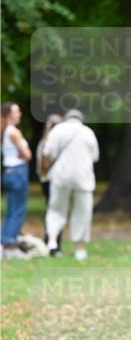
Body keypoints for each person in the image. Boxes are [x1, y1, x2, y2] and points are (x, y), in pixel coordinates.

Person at [41, 109, 99, 261]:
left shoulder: (58, 130)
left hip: (61, 176)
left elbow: (47, 152)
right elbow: (95, 156)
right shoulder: (88, 132)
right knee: (82, 213)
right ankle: (79, 248)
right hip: (83, 178)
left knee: (55, 209)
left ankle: (52, 240)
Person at [1, 101, 32, 259]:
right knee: (18, 210)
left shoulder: (5, 131)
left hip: (8, 172)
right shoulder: (14, 132)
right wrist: (25, 153)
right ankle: (11, 246)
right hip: (18, 173)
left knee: (11, 209)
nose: (19, 114)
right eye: (16, 111)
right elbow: (27, 154)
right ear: (8, 115)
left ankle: (4, 243)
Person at [36, 113, 63, 254]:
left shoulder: (44, 141)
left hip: (46, 180)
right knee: (56, 212)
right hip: (52, 180)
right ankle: (54, 244)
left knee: (51, 210)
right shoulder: (52, 142)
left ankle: (50, 241)